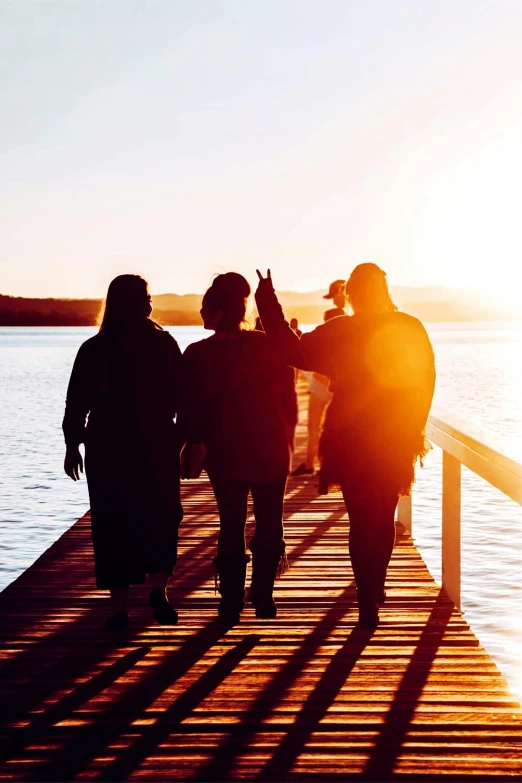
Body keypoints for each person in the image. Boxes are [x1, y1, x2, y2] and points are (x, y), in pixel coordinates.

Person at [256, 264, 435, 629]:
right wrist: (413, 426)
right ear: (384, 290)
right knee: (382, 516)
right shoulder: (409, 328)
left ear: (350, 293)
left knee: (359, 519)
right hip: (393, 434)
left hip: (349, 435)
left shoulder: (340, 330)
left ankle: (367, 597)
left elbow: (292, 350)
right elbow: (426, 379)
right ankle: (376, 585)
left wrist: (267, 300)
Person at [63, 275, 183, 630]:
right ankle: (158, 591)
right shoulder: (163, 343)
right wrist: (188, 439)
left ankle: (119, 609)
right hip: (157, 442)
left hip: (107, 446)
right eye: (147, 295)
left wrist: (72, 444)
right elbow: (183, 397)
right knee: (161, 516)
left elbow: (77, 403)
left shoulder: (94, 348)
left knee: (113, 522)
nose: (151, 301)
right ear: (140, 302)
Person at [180, 273, 297, 624]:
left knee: (231, 523)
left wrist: (191, 442)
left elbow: (187, 407)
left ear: (217, 313)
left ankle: (230, 601)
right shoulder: (267, 345)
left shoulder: (197, 354)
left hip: (224, 452)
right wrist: (287, 441)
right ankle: (263, 595)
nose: (200, 314)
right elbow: (288, 397)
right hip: (271, 447)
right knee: (270, 520)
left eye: (204, 308)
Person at [291, 280, 346, 477]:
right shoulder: (350, 324)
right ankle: (320, 465)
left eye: (334, 296)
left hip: (324, 382)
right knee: (329, 425)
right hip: (331, 382)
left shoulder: (334, 323)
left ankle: (310, 464)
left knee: (316, 425)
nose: (333, 301)